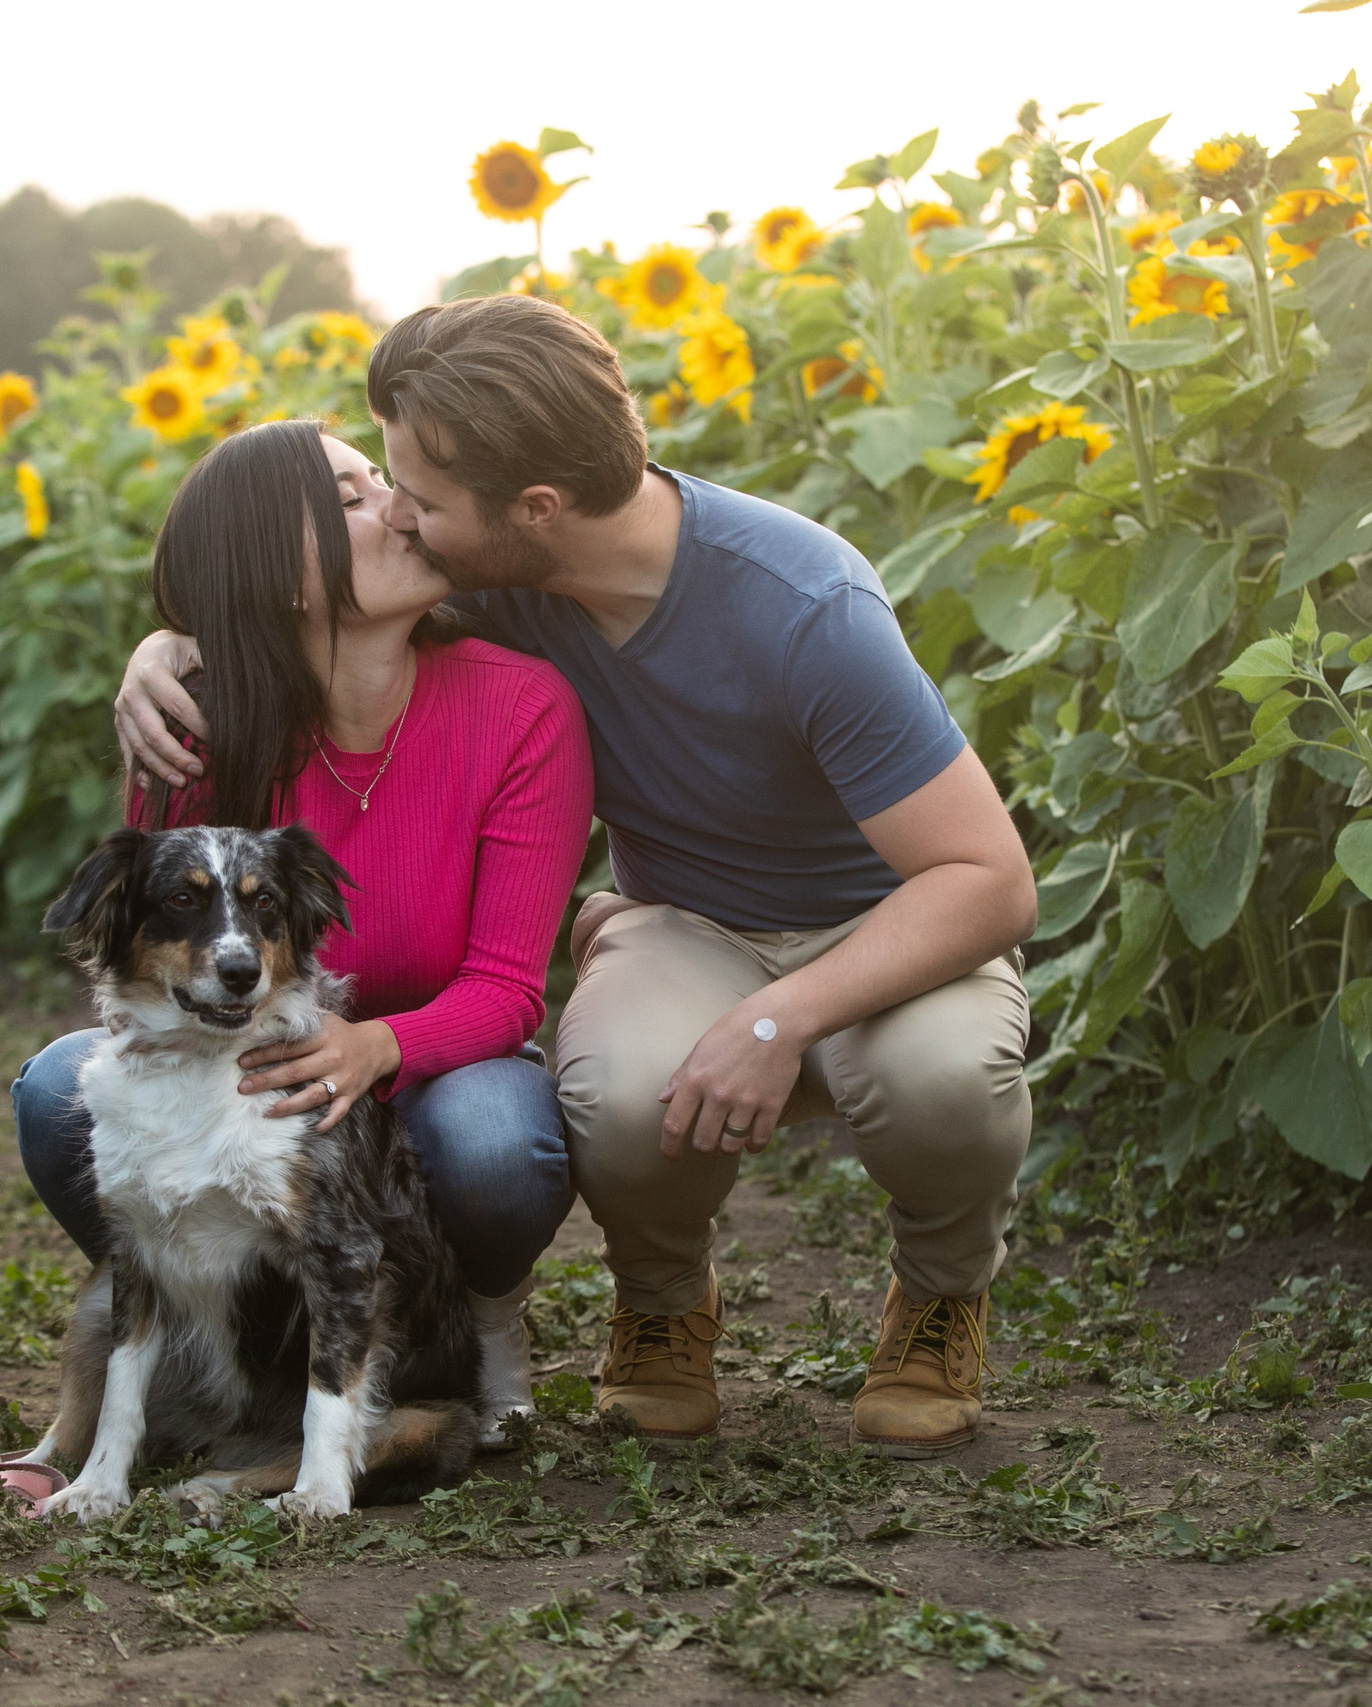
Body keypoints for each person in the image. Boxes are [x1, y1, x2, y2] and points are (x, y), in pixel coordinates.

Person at [115, 296, 1039, 1460]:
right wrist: (166, 648)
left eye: (421, 499)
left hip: (893, 919)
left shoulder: (807, 607)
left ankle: (942, 1295)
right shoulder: (497, 572)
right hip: (686, 923)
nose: (401, 516)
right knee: (610, 1091)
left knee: (940, 1079)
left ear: (534, 512)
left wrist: (777, 1020)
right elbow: (283, 595)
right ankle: (661, 1304)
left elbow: (988, 880)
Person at [13, 417, 594, 1444]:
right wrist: (169, 646)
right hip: (253, 1076)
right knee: (60, 1087)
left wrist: (370, 1047)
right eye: (355, 496)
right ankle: (217, 1339)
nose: (401, 507)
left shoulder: (521, 707)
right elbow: (162, 964)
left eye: (384, 482)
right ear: (280, 575)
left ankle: (475, 1323)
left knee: (500, 1144)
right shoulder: (193, 724)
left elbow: (508, 988)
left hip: (437, 1074)